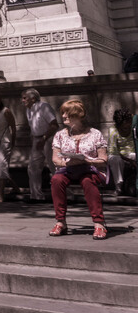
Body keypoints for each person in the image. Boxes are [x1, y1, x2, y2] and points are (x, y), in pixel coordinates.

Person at [49, 100, 109, 239]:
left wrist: (87, 160)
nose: (63, 116)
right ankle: (60, 222)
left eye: (67, 113)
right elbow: (55, 159)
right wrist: (67, 163)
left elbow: (103, 159)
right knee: (56, 180)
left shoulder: (95, 134)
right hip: (68, 170)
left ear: (78, 115)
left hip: (90, 169)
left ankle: (99, 224)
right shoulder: (60, 135)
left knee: (88, 181)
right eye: (63, 113)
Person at [23, 88, 59, 201]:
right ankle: (36, 195)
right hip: (37, 139)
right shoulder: (28, 110)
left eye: (25, 98)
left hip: (49, 138)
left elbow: (54, 125)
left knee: (54, 167)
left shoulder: (44, 107)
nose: (22, 100)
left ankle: (64, 194)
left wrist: (44, 139)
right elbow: (32, 127)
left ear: (33, 99)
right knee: (32, 167)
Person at [107, 108, 135, 196]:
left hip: (133, 154)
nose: (126, 128)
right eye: (123, 126)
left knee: (134, 155)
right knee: (114, 159)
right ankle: (118, 187)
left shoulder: (134, 128)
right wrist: (130, 161)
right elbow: (113, 151)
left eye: (128, 125)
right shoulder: (113, 131)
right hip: (119, 155)